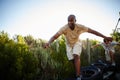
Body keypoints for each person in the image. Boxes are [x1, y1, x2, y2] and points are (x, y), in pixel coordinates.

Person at [43, 14, 112, 80]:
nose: (70, 23)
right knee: (72, 60)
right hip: (69, 45)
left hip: (77, 42)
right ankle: (79, 70)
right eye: (68, 21)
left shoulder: (80, 26)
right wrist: (48, 43)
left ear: (75, 21)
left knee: (76, 56)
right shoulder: (64, 28)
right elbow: (55, 36)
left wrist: (105, 37)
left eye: (71, 21)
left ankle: (78, 76)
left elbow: (93, 31)